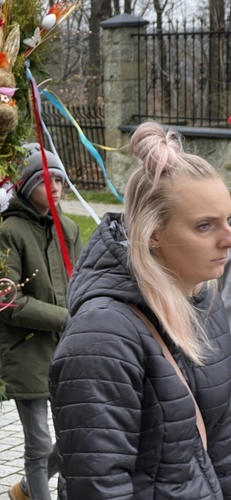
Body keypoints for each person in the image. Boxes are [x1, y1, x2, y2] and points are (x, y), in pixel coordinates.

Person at [49, 121, 231, 499]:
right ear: (153, 233)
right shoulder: (101, 337)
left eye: (228, 220)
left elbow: (222, 444)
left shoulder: (206, 303)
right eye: (204, 226)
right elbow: (97, 485)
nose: (227, 238)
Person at [0, 145, 82, 500]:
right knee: (39, 440)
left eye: (59, 178)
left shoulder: (70, 228)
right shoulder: (9, 232)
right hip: (25, 349)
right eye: (45, 179)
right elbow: (5, 298)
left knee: (74, 434)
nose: (55, 185)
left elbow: (79, 282)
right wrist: (65, 317)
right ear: (27, 186)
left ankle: (31, 487)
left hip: (65, 348)